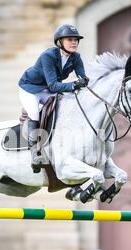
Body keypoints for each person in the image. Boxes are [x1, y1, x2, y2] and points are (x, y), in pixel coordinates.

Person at [18, 24, 89, 173]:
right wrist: (74, 85)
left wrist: (87, 82)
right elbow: (53, 86)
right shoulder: (48, 56)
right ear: (60, 42)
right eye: (70, 39)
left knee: (64, 106)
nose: (74, 42)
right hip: (30, 88)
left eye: (76, 40)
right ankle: (35, 153)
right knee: (34, 113)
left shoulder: (76, 57)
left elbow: (83, 77)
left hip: (47, 90)